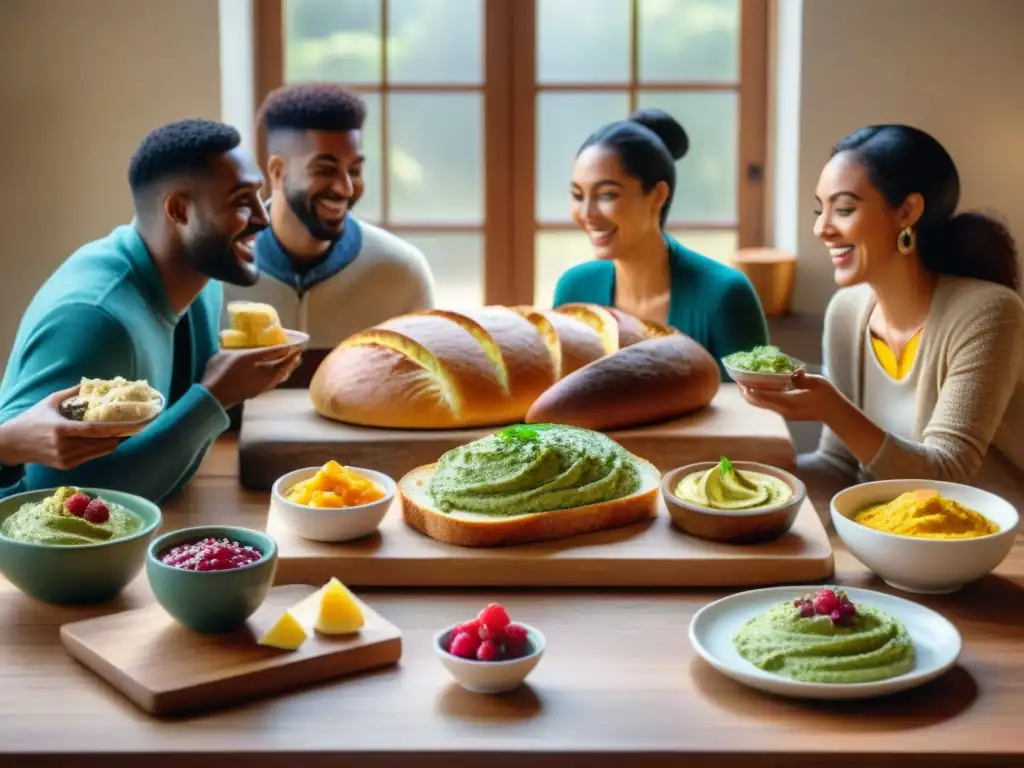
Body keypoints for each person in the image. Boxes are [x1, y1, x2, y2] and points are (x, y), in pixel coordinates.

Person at [0, 118, 300, 502]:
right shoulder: (94, 319)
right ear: (179, 211)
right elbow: (47, 500)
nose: (263, 218)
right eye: (242, 201)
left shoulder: (203, 279)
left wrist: (229, 390)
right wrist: (214, 397)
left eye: (260, 196)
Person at [740, 124, 1024, 512]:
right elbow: (838, 466)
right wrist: (740, 478)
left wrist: (833, 409)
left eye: (843, 209)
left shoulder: (990, 314)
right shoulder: (847, 311)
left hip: (997, 549)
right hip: (887, 533)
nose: (821, 228)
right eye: (818, 209)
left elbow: (946, 474)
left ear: (907, 212)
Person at [223, 82, 435, 387]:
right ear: (278, 170)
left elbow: (421, 392)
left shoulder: (402, 272)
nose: (346, 188)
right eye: (325, 170)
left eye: (355, 170)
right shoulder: (217, 273)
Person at [551, 108, 769, 379]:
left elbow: (755, 412)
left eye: (607, 195)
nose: (587, 213)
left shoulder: (724, 295)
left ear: (658, 196)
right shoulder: (574, 289)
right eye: (577, 195)